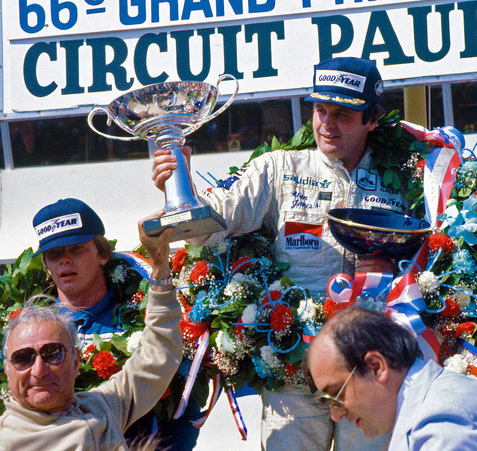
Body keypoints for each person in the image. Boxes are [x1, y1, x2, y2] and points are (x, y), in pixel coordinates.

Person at [152, 57, 405, 450]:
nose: (326, 123)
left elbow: (430, 259)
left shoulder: (404, 176)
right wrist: (179, 182)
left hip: (370, 367)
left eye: (342, 114)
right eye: (320, 110)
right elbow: (213, 224)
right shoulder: (279, 168)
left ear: (371, 120)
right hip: (293, 364)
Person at [0, 198, 201, 449]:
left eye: (53, 354)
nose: (65, 261)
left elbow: (160, 359)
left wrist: (159, 267)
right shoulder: (23, 336)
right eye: (54, 253)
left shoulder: (101, 407)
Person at [303, 307, 477, 451]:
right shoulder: (435, 403)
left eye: (337, 394)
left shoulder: (441, 419)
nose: (335, 414)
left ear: (376, 367)